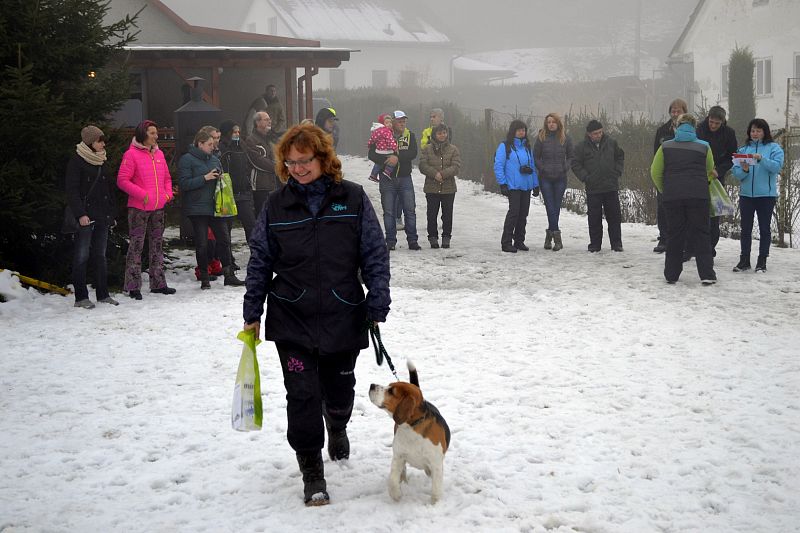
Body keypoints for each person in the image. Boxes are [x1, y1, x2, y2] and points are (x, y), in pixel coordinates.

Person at [242, 123, 390, 506]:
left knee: (339, 392)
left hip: (344, 311)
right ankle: (311, 471)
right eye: (290, 163)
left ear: (323, 158)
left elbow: (374, 253)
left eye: (304, 160)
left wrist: (378, 300)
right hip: (292, 315)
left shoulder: (353, 198)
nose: (297, 168)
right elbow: (260, 260)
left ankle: (337, 423)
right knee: (302, 396)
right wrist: (252, 311)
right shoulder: (276, 206)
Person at [650, 113, 717, 285]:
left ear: (677, 127)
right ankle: (707, 274)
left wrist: (665, 189)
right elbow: (710, 170)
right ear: (694, 127)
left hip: (673, 196)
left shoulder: (665, 146)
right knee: (701, 234)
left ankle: (671, 274)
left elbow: (655, 171)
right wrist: (705, 183)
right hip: (698, 195)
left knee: (674, 234)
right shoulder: (704, 147)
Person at [178, 128, 245, 289]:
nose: (213, 147)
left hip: (216, 207)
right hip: (197, 208)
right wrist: (204, 178)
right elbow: (184, 184)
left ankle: (229, 275)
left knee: (224, 240)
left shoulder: (214, 159)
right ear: (199, 144)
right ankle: (204, 277)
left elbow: (220, 174)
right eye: (209, 144)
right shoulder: (187, 159)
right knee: (202, 243)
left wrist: (220, 177)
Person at [117, 120, 176, 300]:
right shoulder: (131, 155)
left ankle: (158, 283)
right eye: (152, 133)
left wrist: (167, 195)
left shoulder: (159, 154)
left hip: (158, 208)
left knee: (157, 245)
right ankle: (133, 286)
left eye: (156, 133)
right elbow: (122, 180)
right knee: (136, 246)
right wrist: (143, 195)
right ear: (143, 134)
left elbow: (167, 177)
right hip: (139, 209)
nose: (156, 136)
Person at [65, 125, 118, 309]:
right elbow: (72, 191)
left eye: (103, 140)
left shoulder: (102, 160)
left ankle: (103, 294)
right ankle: (81, 297)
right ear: (90, 142)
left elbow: (108, 189)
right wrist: (81, 214)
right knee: (82, 256)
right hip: (86, 216)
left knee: (100, 256)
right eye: (99, 140)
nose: (103, 144)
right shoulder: (77, 161)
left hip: (102, 215)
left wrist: (111, 214)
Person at [730, 118, 785, 273]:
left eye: (758, 130)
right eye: (753, 130)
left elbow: (776, 167)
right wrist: (745, 170)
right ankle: (744, 260)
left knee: (764, 229)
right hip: (746, 195)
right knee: (745, 228)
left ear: (764, 132)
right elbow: (737, 173)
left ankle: (762, 261)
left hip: (766, 196)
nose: (755, 133)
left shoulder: (774, 148)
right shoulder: (743, 150)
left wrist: (762, 159)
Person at [369, 110, 420, 251]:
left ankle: (413, 241)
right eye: (399, 121)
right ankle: (390, 241)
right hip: (387, 179)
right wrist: (386, 160)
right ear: (392, 122)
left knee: (410, 210)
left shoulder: (410, 135)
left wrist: (397, 158)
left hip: (405, 178)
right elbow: (371, 153)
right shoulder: (382, 132)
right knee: (389, 211)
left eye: (404, 120)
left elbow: (413, 153)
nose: (402, 123)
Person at [571, 119, 625, 253]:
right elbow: (575, 164)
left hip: (610, 186)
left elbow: (620, 157)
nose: (598, 135)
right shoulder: (581, 147)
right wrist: (585, 177)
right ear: (589, 134)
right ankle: (595, 244)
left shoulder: (611, 143)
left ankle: (616, 244)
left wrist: (617, 171)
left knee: (614, 217)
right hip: (593, 188)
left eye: (600, 132)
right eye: (595, 133)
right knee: (594, 218)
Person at [694, 105, 737, 258]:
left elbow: (732, 156)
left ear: (722, 122)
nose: (712, 125)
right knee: (697, 214)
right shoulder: (700, 129)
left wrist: (719, 169)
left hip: (717, 178)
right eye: (711, 122)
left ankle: (710, 247)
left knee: (714, 215)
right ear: (708, 118)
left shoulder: (729, 133)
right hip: (698, 176)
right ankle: (695, 247)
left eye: (716, 123)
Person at [494, 119, 539, 253]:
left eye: (523, 130)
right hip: (513, 185)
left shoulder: (527, 147)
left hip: (526, 185)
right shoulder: (505, 146)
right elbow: (498, 165)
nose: (522, 132)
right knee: (514, 213)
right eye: (519, 130)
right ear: (513, 131)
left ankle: (519, 241)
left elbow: (532, 167)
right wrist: (502, 183)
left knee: (523, 214)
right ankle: (506, 242)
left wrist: (536, 184)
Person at [652, 98, 689, 253]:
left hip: (686, 175)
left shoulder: (691, 130)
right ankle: (664, 238)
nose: (675, 113)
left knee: (685, 208)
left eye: (678, 110)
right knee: (663, 207)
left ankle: (685, 240)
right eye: (673, 110)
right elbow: (656, 153)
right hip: (667, 174)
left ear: (684, 112)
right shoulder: (662, 130)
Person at [533, 112, 574, 251]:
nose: (551, 124)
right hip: (545, 178)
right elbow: (536, 157)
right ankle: (557, 239)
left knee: (556, 207)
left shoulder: (565, 138)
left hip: (560, 178)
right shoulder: (541, 138)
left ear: (558, 123)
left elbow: (571, 157)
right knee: (550, 207)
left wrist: (565, 167)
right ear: (546, 124)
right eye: (549, 122)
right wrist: (542, 168)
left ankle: (549, 236)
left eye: (553, 122)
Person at [419, 123, 461, 249]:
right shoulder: (427, 149)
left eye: (444, 133)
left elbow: (456, 166)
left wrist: (442, 174)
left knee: (447, 214)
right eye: (439, 133)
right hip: (431, 187)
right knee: (431, 214)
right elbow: (422, 165)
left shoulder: (454, 149)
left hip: (449, 188)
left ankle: (446, 237)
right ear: (434, 135)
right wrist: (434, 174)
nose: (442, 135)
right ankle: (432, 237)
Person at [219, 120, 256, 247]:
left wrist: (247, 182)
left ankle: (257, 257)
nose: (237, 134)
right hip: (228, 193)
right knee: (226, 230)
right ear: (227, 133)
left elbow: (248, 164)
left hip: (243, 192)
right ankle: (229, 261)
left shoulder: (242, 146)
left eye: (238, 132)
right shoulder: (222, 148)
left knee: (251, 225)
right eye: (234, 132)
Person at [245, 111, 280, 217]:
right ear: (257, 123)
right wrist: (278, 167)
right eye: (266, 119)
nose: (270, 121)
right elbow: (258, 160)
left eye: (269, 119)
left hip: (274, 184)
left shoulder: (271, 139)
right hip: (260, 186)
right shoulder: (251, 140)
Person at [366, 113, 397, 182]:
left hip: (378, 150)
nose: (389, 124)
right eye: (387, 123)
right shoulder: (387, 131)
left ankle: (373, 175)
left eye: (390, 122)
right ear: (383, 123)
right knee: (392, 161)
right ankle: (387, 171)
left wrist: (369, 144)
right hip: (386, 150)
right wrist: (395, 147)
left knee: (378, 163)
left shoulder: (376, 131)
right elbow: (390, 140)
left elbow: (372, 139)